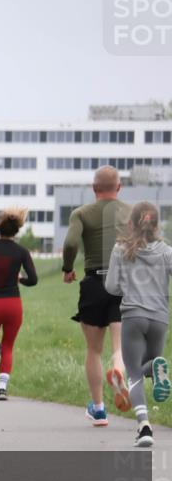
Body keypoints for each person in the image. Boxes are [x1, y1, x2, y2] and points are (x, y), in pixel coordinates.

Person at [62, 166, 131, 427]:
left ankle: (99, 409)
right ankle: (119, 370)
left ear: (94, 188)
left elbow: (70, 243)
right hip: (124, 282)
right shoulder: (131, 212)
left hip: (93, 283)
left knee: (93, 350)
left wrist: (68, 269)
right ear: (119, 187)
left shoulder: (81, 213)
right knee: (119, 346)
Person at [104, 202, 172, 447]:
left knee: (133, 373)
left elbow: (111, 287)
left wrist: (127, 284)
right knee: (149, 369)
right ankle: (157, 365)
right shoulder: (166, 251)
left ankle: (144, 428)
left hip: (133, 316)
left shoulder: (120, 249)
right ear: (156, 224)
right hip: (160, 318)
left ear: (131, 223)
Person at [0, 208, 38, 401]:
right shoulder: (22, 252)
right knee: (8, 346)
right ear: (16, 230)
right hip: (13, 304)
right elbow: (33, 279)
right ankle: (2, 388)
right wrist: (19, 280)